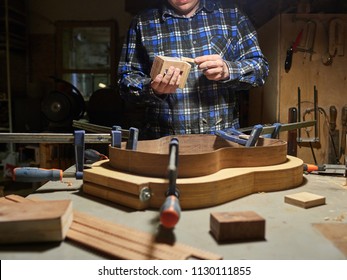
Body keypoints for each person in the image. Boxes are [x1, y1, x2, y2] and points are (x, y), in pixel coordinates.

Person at [118, 0, 269, 140]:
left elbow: (260, 69)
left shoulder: (232, 15)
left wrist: (228, 70)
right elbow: (126, 83)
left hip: (222, 142)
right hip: (163, 143)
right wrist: (153, 89)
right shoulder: (142, 23)